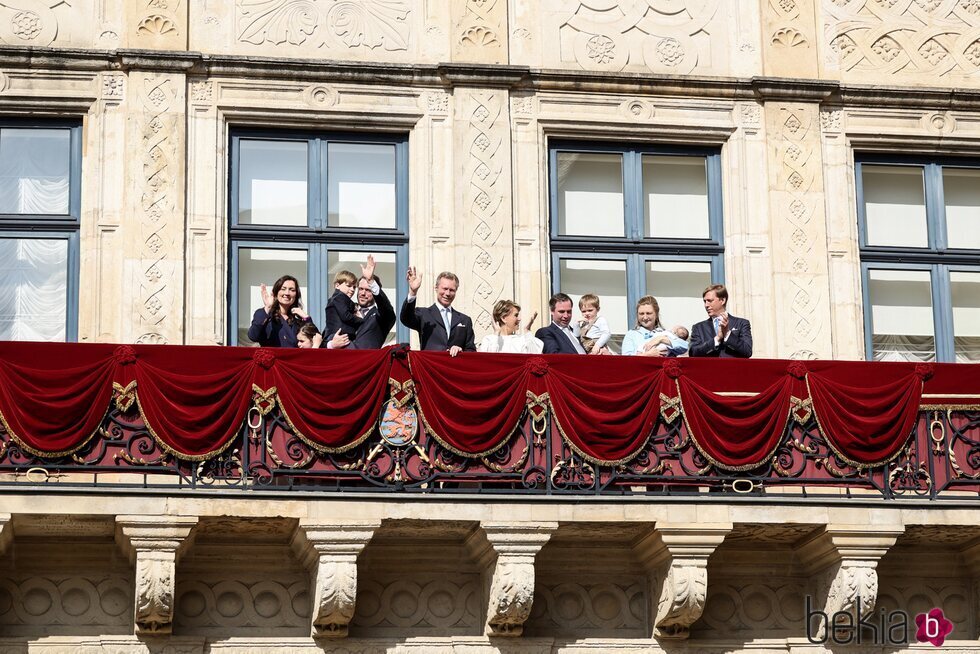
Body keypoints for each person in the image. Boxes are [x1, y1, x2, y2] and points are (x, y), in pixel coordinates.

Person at [400, 267, 476, 356]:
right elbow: (406, 318)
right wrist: (413, 292)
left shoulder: (465, 320)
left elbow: (471, 350)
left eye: (451, 290)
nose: (447, 293)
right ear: (436, 288)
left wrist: (461, 351)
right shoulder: (424, 314)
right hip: (431, 367)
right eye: (444, 288)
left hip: (454, 368)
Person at [247, 275, 313, 348]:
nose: (287, 293)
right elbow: (253, 336)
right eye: (283, 289)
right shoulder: (265, 315)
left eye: (292, 290)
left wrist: (306, 317)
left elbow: (315, 340)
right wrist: (268, 307)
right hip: (272, 358)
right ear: (276, 292)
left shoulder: (298, 322)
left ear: (296, 295)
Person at [689, 284, 753, 358]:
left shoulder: (741, 323)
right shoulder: (698, 328)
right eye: (705, 301)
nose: (706, 305)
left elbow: (747, 351)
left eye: (710, 301)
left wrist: (727, 334)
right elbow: (693, 353)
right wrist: (717, 339)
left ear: (722, 300)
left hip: (733, 368)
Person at [350, 255, 396, 350]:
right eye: (361, 289)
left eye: (368, 290)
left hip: (368, 362)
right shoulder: (347, 309)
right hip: (345, 361)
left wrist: (371, 281)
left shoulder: (381, 316)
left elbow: (386, 308)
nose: (362, 293)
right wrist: (332, 343)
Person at [621, 296, 689, 357]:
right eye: (641, 314)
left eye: (648, 313)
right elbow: (626, 360)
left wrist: (661, 339)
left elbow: (685, 346)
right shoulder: (632, 334)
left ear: (656, 314)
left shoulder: (664, 333)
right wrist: (647, 355)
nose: (645, 317)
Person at [478, 300, 543, 353]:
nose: (519, 319)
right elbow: (489, 362)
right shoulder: (489, 340)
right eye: (516, 315)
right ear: (503, 318)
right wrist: (496, 333)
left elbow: (534, 359)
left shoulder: (522, 339)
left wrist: (527, 330)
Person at [324, 269, 362, 341]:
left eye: (354, 287)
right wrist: (361, 320)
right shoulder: (339, 297)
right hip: (338, 336)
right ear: (337, 286)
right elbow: (346, 316)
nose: (352, 289)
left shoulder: (339, 299)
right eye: (349, 286)